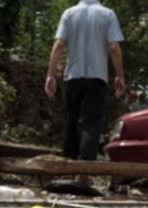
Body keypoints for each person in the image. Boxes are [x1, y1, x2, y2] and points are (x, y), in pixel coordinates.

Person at [45, 0, 125, 162]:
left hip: (73, 75)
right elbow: (114, 48)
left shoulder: (69, 13)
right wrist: (120, 76)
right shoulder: (107, 14)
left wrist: (50, 74)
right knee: (92, 121)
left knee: (71, 120)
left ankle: (67, 164)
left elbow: (59, 44)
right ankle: (84, 169)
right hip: (97, 77)